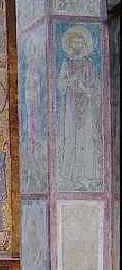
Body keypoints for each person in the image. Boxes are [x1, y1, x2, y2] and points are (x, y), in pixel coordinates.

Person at [57, 26, 101, 188]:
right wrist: (70, 82)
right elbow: (61, 84)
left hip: (86, 105)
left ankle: (87, 175)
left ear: (84, 44)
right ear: (70, 45)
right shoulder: (67, 63)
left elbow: (95, 84)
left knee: (86, 137)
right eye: (74, 42)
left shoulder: (89, 63)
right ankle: (69, 175)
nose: (77, 45)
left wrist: (87, 90)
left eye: (80, 42)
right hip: (71, 105)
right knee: (70, 137)